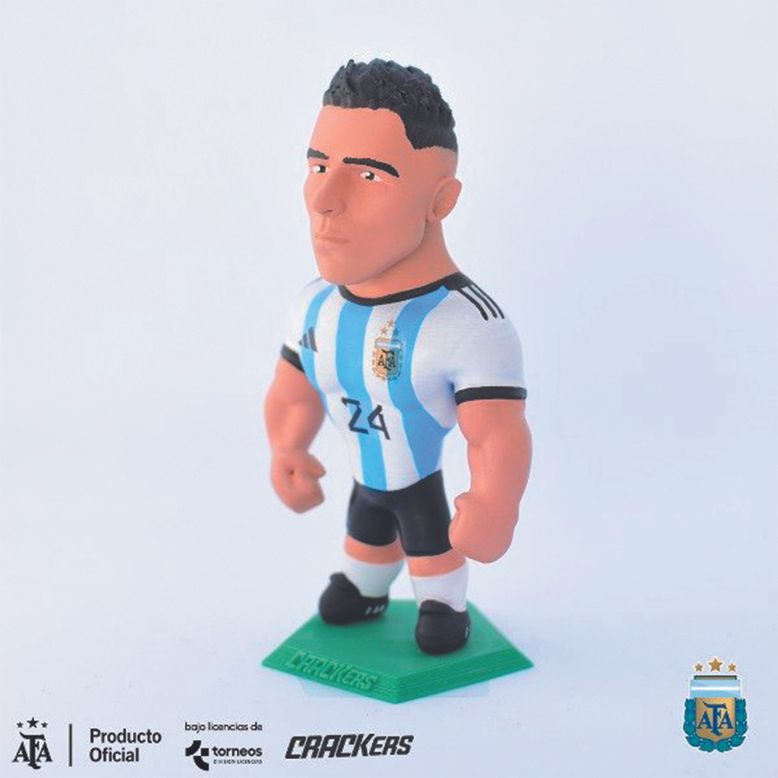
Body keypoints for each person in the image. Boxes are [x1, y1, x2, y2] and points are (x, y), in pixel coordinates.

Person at [265, 59, 532, 655]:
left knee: (425, 529)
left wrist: (495, 506)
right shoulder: (314, 306)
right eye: (318, 167)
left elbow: (496, 433)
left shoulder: (468, 324)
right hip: (364, 474)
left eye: (368, 176)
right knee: (365, 520)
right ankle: (367, 584)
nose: (324, 201)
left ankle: (442, 599)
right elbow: (293, 389)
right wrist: (286, 447)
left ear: (440, 200)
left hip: (419, 480)